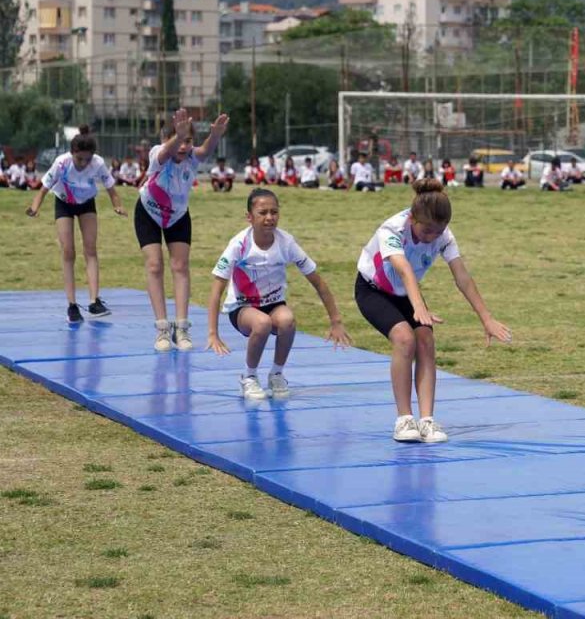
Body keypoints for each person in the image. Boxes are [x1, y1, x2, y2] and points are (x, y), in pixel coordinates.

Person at [354, 178, 512, 442]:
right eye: (427, 231)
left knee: (426, 339)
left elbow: (462, 276)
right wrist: (418, 308)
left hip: (407, 291)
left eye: (438, 232)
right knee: (405, 338)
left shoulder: (444, 236)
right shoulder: (392, 229)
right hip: (373, 290)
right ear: (413, 218)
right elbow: (403, 270)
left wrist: (486, 318)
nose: (432, 238)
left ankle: (427, 420)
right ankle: (404, 419)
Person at [207, 187, 351, 399]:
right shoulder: (239, 245)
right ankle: (249, 377)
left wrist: (336, 320)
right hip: (242, 308)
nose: (269, 218)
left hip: (274, 304)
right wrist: (213, 333)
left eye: (274, 212)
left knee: (288, 320)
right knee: (262, 323)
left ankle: (276, 374)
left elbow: (318, 282)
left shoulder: (286, 242)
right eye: (262, 213)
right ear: (249, 217)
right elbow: (217, 289)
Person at [136, 109, 229, 352]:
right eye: (178, 140)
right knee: (155, 265)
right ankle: (162, 329)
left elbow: (206, 150)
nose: (183, 147)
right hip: (149, 212)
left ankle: (182, 328)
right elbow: (168, 150)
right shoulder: (158, 153)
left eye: (188, 141)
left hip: (177, 215)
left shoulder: (191, 158)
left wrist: (215, 135)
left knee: (180, 266)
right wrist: (176, 137)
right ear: (166, 138)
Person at [25, 133, 129, 324]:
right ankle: (72, 306)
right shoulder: (61, 163)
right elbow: (44, 188)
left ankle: (94, 301)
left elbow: (112, 190)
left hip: (86, 203)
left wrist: (118, 205)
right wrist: (34, 207)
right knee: (68, 251)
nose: (83, 163)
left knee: (90, 248)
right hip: (64, 203)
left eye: (87, 159)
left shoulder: (97, 163)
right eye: (79, 158)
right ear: (72, 153)